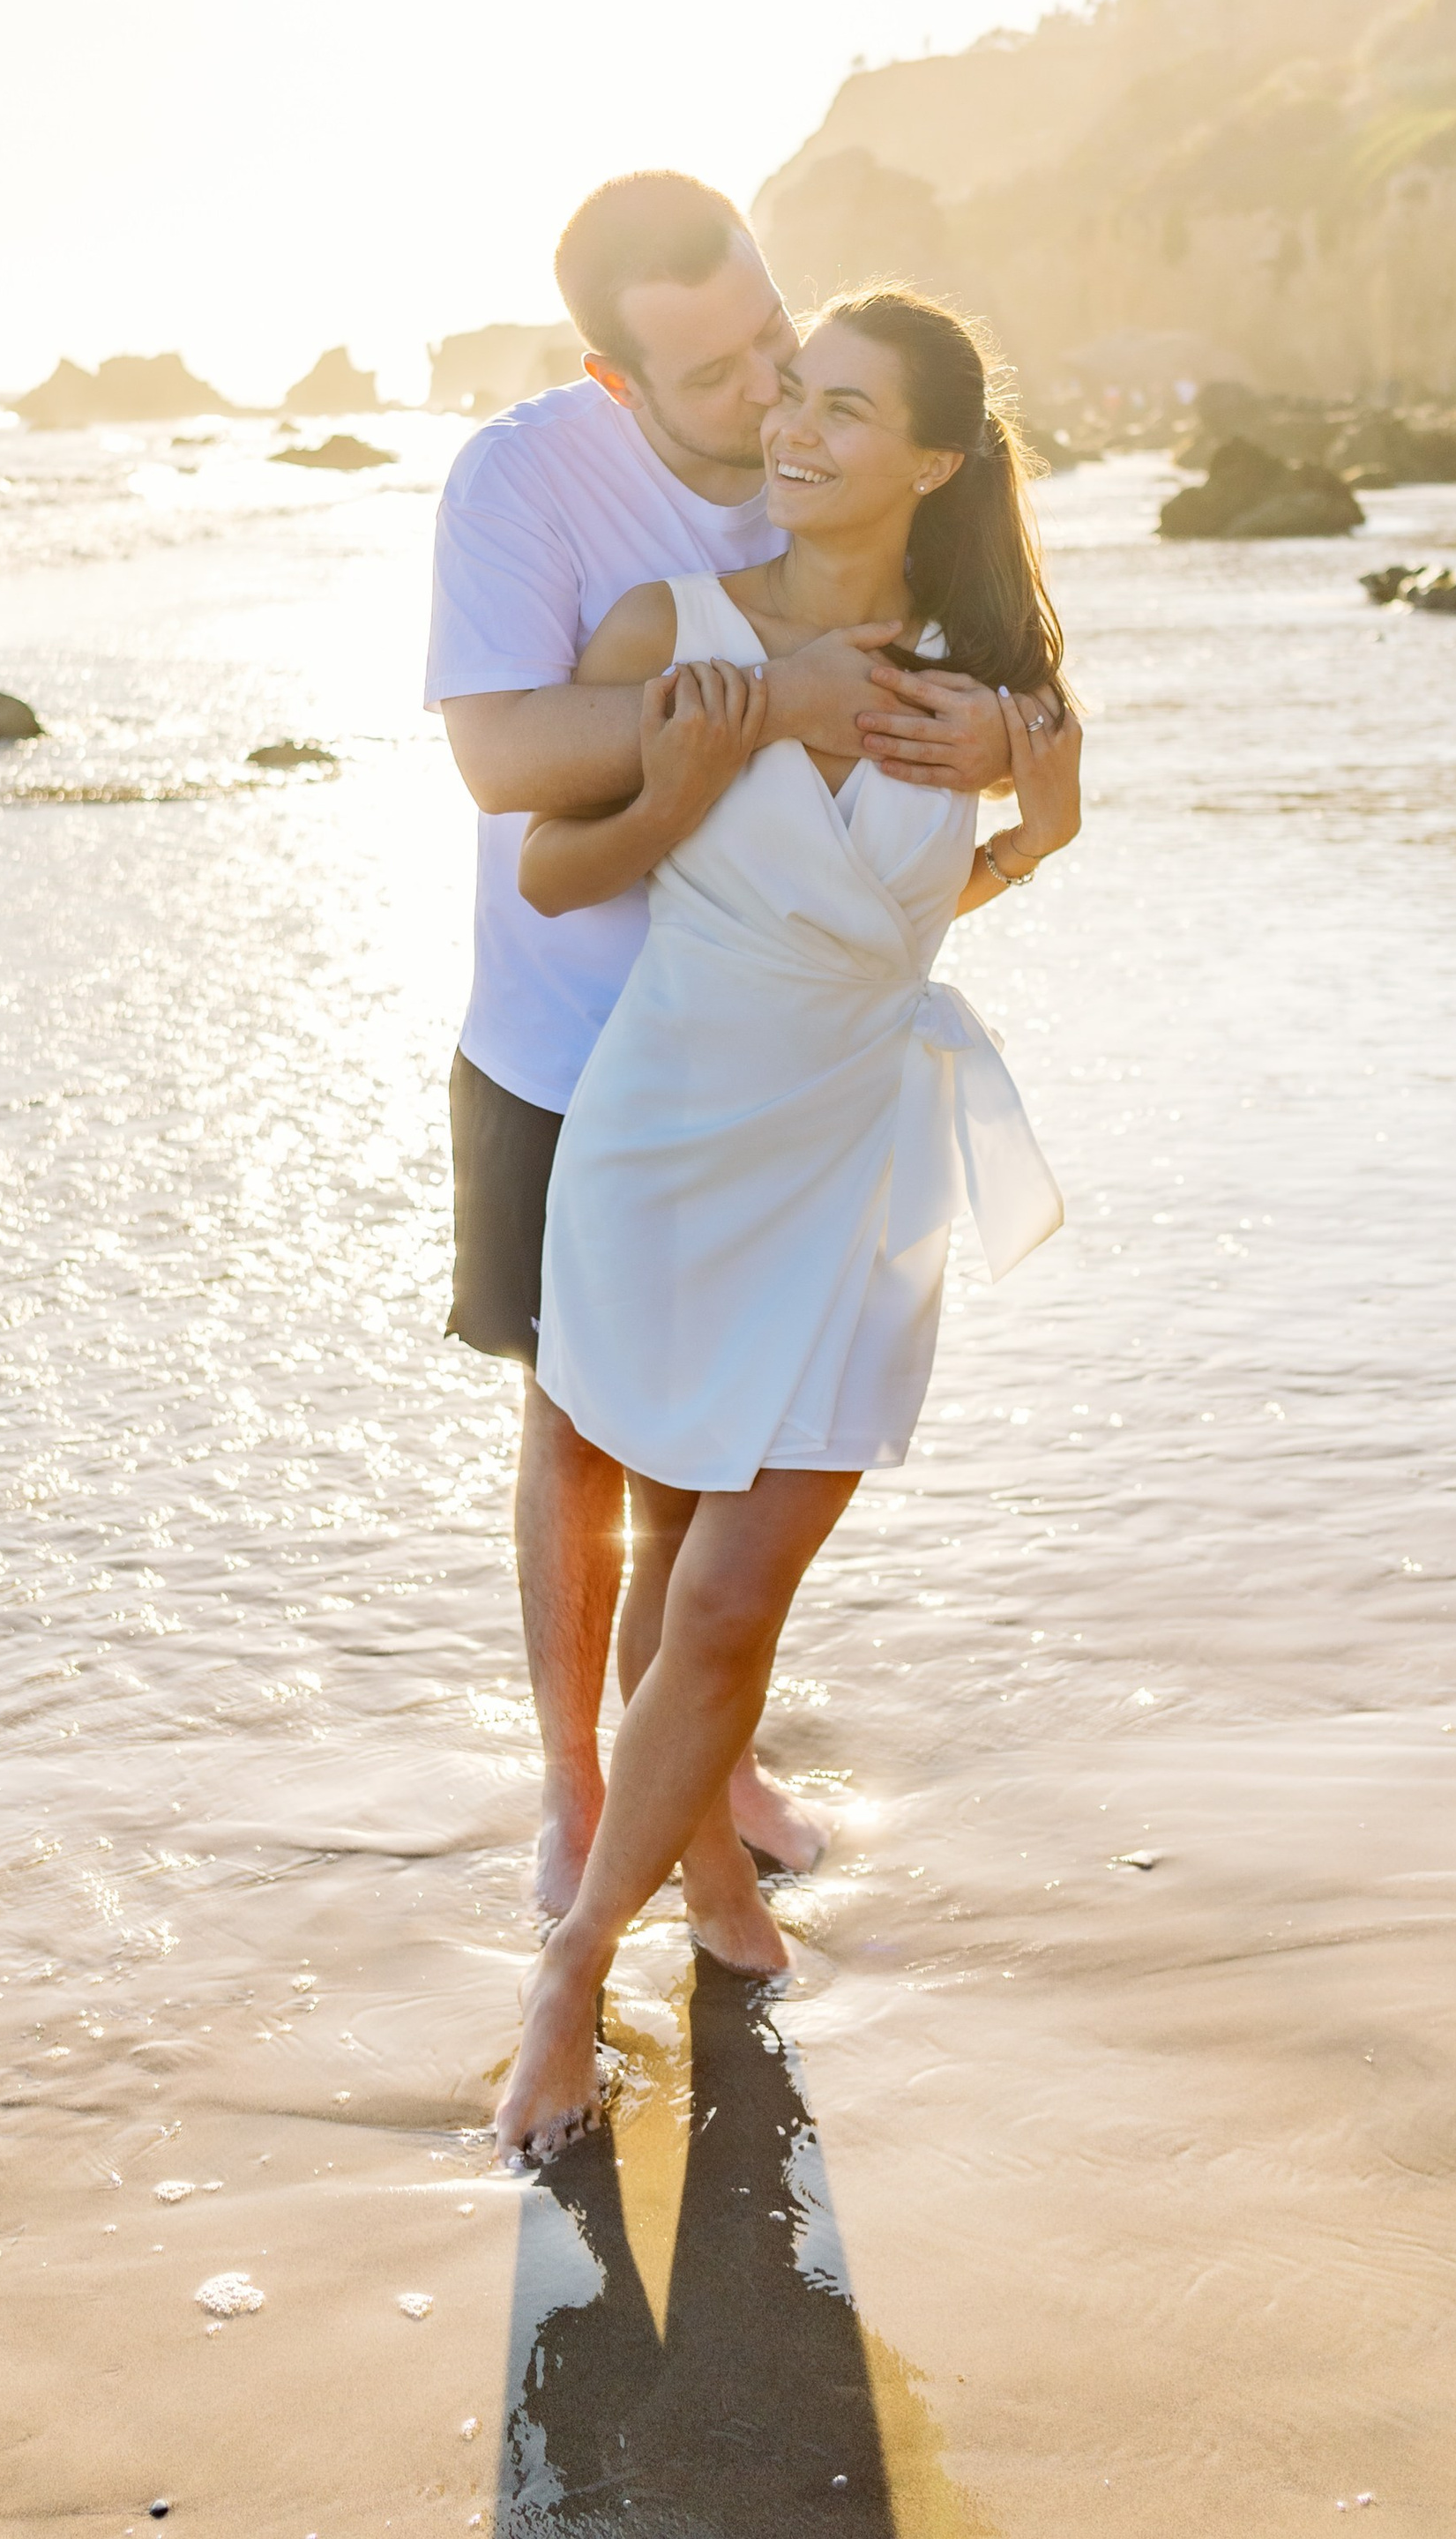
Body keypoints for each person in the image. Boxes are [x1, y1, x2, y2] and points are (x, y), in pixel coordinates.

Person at [493, 285, 1084, 2165]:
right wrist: (678, 777)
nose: (795, 431)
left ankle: (573, 1966)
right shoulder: (676, 628)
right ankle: (695, 1906)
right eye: (788, 400)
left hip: (851, 1173)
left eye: (843, 408)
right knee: (675, 1558)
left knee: (731, 1595)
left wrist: (1017, 837)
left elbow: (959, 878)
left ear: (930, 457)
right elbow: (552, 862)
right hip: (664, 1156)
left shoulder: (984, 673)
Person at [424, 176, 1021, 1916]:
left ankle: (704, 1758)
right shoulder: (527, 480)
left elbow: (963, 673)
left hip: (775, 1049)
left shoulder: (818, 456)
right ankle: (575, 1782)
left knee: (743, 1420)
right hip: (565, 1031)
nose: (767, 392)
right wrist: (768, 700)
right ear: (619, 383)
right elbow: (504, 761)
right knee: (580, 1420)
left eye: (776, 335)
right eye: (715, 374)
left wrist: (1009, 744)